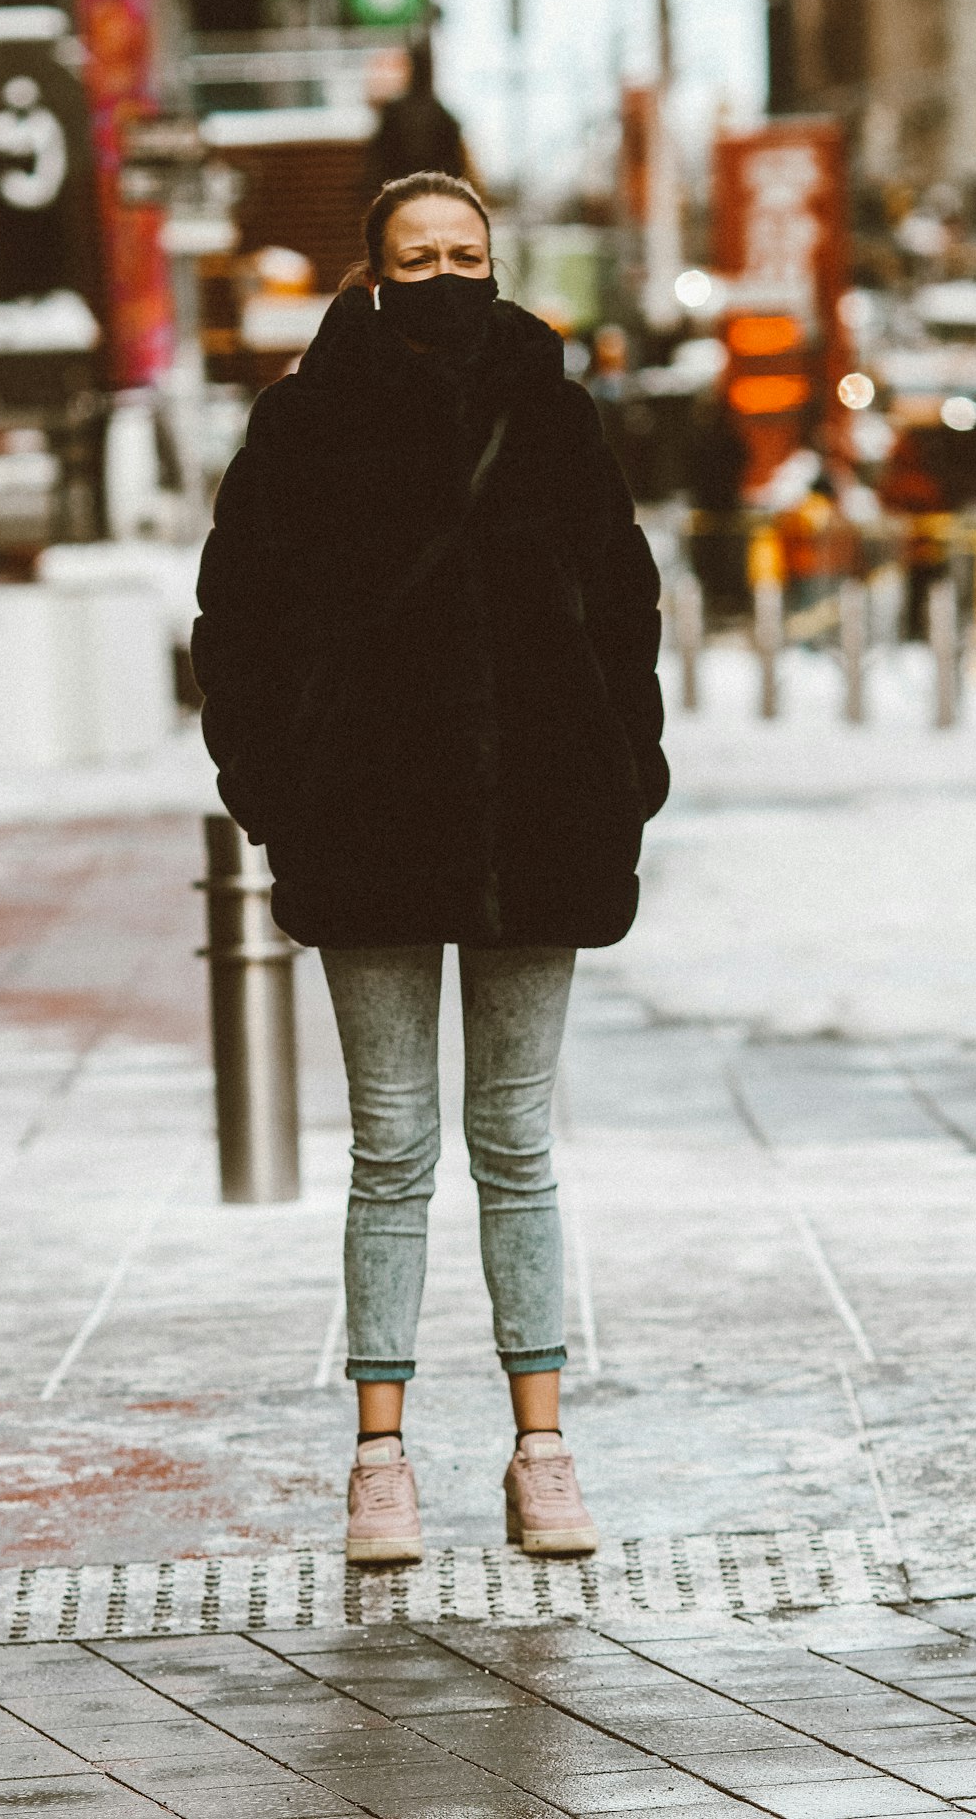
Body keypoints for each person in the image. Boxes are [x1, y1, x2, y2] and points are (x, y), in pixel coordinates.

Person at [192, 171, 669, 1567]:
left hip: (541, 822)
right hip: (373, 829)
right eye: (420, 255)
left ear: (495, 262)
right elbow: (239, 627)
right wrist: (283, 795)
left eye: (468, 253)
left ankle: (543, 1451)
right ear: (376, 271)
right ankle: (381, 1464)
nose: (447, 276)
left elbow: (625, 608)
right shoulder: (301, 425)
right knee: (391, 1148)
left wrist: (620, 776)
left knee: (516, 1144)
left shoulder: (555, 413)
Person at [365, 41, 467, 192]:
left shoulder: (393, 110)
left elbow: (379, 159)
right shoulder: (442, 114)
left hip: (398, 191)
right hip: (435, 191)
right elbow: (454, 164)